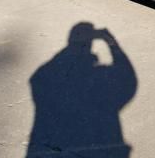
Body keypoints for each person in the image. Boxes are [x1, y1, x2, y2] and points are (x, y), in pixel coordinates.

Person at [26, 22, 137, 157]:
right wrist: (112, 43)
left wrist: (73, 47)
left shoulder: (45, 78)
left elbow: (39, 76)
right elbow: (127, 79)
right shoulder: (101, 80)